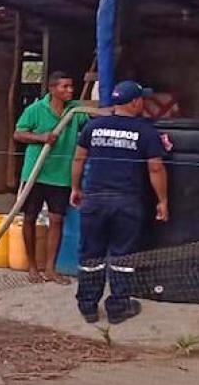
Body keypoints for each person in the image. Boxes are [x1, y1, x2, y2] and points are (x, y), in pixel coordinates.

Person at [69, 80, 169, 324]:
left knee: (91, 255)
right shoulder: (146, 131)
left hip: (94, 200)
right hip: (126, 202)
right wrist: (162, 200)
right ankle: (117, 308)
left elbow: (78, 160)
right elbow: (155, 168)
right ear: (135, 102)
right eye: (141, 99)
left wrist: (76, 188)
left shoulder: (94, 126)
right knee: (123, 257)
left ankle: (88, 307)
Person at [13, 71, 87, 284]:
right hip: (35, 173)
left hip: (61, 175)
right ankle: (32, 267)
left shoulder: (75, 110)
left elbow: (96, 113)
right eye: (64, 87)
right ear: (52, 89)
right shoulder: (36, 110)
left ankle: (51, 268)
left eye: (71, 86)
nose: (70, 90)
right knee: (29, 218)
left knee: (57, 219)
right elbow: (18, 133)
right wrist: (40, 138)